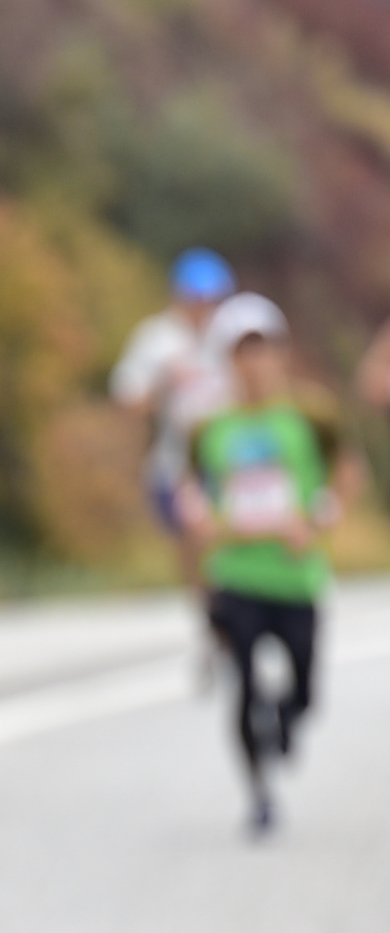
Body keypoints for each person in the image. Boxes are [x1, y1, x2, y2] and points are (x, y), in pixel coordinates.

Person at [179, 294, 341, 836]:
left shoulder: (311, 416)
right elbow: (189, 487)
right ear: (227, 359)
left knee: (305, 690)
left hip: (294, 574)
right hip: (236, 572)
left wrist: (315, 521)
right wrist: (196, 515)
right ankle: (259, 795)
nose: (254, 363)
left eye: (262, 349)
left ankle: (288, 719)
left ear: (280, 353)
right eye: (242, 352)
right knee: (245, 688)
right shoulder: (208, 424)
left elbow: (345, 478)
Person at [110, 246, 237, 625]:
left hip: (232, 460)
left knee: (221, 542)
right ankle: (210, 618)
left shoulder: (233, 335)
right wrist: (165, 382)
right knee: (193, 545)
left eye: (212, 298)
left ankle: (227, 613)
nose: (204, 307)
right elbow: (127, 400)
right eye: (196, 298)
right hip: (178, 463)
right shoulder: (157, 338)